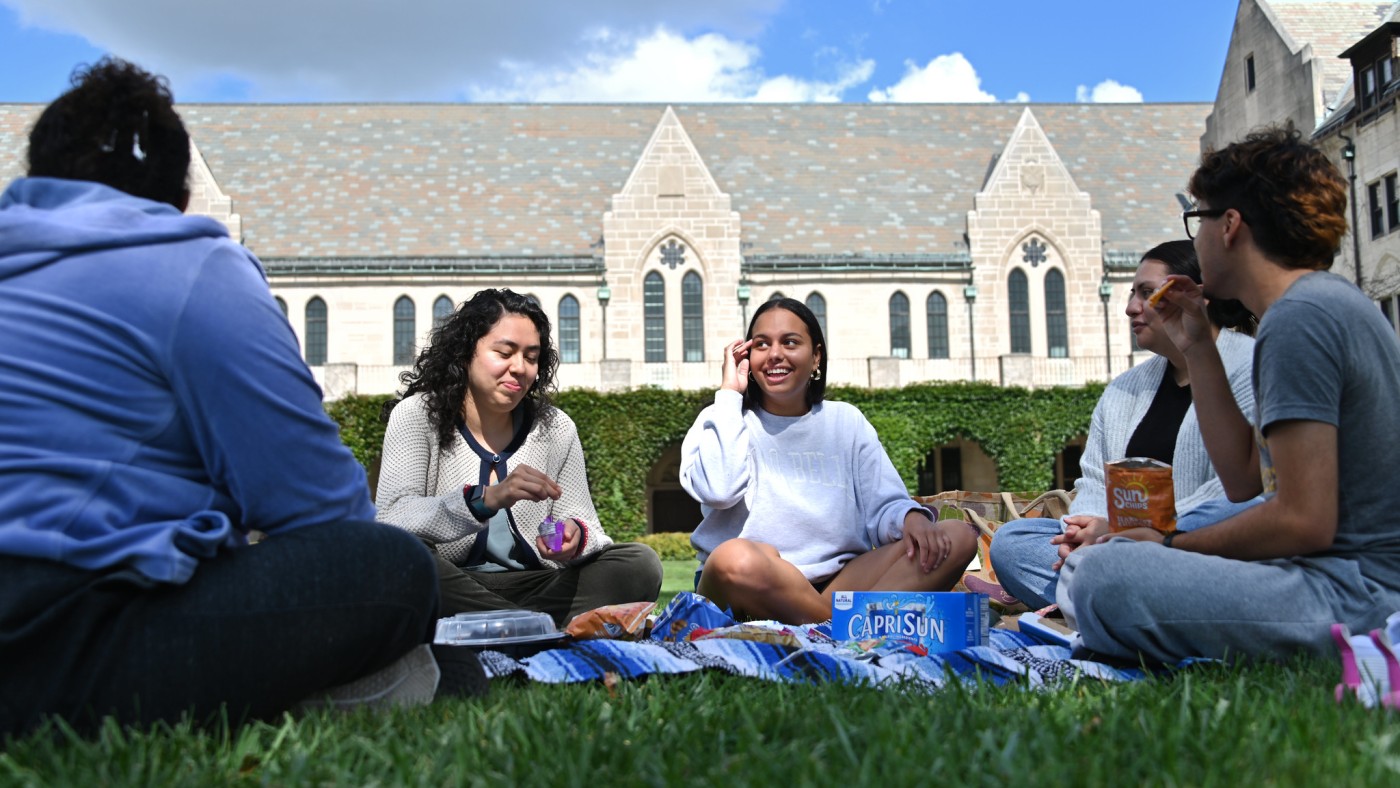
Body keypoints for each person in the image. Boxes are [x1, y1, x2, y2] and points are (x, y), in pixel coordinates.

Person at [0, 59, 446, 738]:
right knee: (391, 571)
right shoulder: (188, 262)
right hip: (59, 636)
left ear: (37, 181)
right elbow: (322, 510)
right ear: (181, 197)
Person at [1059, 125, 1400, 663]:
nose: (1194, 239)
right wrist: (1196, 343)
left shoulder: (1301, 319)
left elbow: (1303, 520)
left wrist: (1170, 547)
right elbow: (1244, 481)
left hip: (1356, 595)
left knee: (1106, 574)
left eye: (1197, 221)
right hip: (1332, 576)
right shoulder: (1312, 307)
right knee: (1126, 552)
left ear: (1230, 226)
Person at [989, 241, 1259, 610]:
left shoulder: (1248, 366)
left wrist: (1123, 535)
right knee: (1013, 542)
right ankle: (1107, 601)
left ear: (1195, 298)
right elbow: (1096, 482)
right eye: (1133, 293)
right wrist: (1081, 535)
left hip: (1195, 546)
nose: (1131, 307)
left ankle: (1092, 602)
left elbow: (1237, 495)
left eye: (1149, 294)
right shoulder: (1124, 389)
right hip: (1112, 551)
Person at [679, 297, 977, 624]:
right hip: (748, 584)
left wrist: (911, 519)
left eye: (790, 342)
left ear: (816, 356)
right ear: (747, 356)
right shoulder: (721, 417)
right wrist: (729, 395)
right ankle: (848, 627)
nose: (775, 354)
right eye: (762, 344)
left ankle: (831, 626)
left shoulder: (846, 421)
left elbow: (885, 503)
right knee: (732, 559)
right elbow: (719, 491)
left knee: (957, 537)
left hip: (840, 583)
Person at [376, 288, 662, 626]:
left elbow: (589, 528)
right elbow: (392, 517)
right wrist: (484, 499)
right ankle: (532, 626)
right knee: (391, 554)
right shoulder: (417, 415)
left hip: (537, 585)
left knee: (639, 563)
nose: (519, 368)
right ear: (466, 351)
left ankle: (505, 626)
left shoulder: (556, 428)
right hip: (451, 581)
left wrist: (574, 538)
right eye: (504, 352)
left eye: (530, 356)